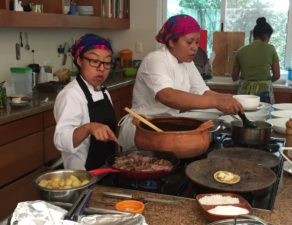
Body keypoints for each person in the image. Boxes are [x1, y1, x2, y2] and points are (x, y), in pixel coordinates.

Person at [118, 14, 243, 150]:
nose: (195, 48)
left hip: (168, 128)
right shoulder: (155, 59)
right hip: (144, 129)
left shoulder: (186, 62)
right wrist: (217, 102)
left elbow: (202, 91)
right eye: (189, 42)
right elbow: (167, 96)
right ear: (171, 41)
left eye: (197, 42)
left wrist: (225, 98)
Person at [54, 33, 117, 170]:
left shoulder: (104, 91)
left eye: (107, 63)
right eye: (94, 61)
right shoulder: (71, 95)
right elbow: (60, 140)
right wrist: (88, 127)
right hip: (83, 175)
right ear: (79, 60)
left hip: (106, 169)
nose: (101, 68)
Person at [232, 17, 280, 104]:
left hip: (244, 94)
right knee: (264, 116)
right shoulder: (271, 49)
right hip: (264, 93)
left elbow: (234, 77)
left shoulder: (240, 51)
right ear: (266, 36)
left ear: (254, 35)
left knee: (244, 117)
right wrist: (266, 82)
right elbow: (276, 75)